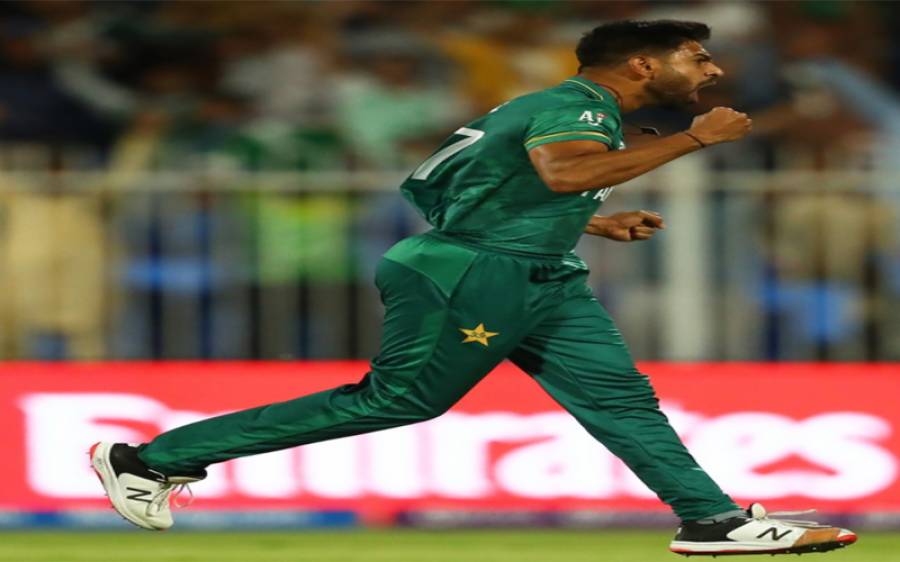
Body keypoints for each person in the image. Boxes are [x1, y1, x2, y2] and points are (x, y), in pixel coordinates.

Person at [90, 20, 857, 556]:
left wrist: (586, 223)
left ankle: (712, 520)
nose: (713, 70)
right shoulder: (574, 107)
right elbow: (563, 172)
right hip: (474, 274)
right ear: (642, 67)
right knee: (397, 400)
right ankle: (150, 459)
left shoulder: (545, 109)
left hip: (537, 270)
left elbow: (437, 184)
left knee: (623, 400)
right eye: (697, 57)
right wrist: (695, 139)